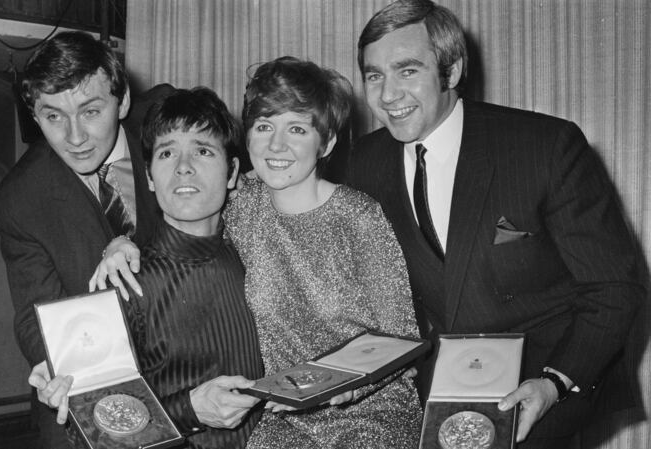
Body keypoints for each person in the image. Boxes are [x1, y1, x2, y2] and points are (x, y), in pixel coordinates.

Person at [348, 1, 644, 448]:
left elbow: (613, 286)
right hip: (431, 395)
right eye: (374, 76)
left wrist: (554, 384)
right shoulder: (361, 165)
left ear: (451, 70)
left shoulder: (544, 147)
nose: (388, 95)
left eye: (407, 71)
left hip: (540, 387)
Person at [94, 56, 423, 448]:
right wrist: (119, 242)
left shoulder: (359, 216)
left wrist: (353, 386)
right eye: (264, 126)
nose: (276, 145)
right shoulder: (242, 205)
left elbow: (400, 336)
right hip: (283, 416)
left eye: (297, 128)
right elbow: (182, 204)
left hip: (369, 412)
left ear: (327, 142)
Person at [30, 87, 265, 449]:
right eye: (167, 152)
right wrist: (189, 410)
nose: (184, 167)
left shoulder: (257, 256)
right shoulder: (125, 282)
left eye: (203, 151)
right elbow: (99, 431)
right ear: (150, 176)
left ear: (233, 171)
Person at [0, 31, 173, 448]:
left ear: (122, 101)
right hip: (93, 388)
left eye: (91, 111)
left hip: (195, 369)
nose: (74, 137)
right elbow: (34, 316)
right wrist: (55, 366)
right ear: (35, 116)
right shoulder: (19, 198)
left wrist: (139, 249)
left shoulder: (169, 124)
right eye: (53, 116)